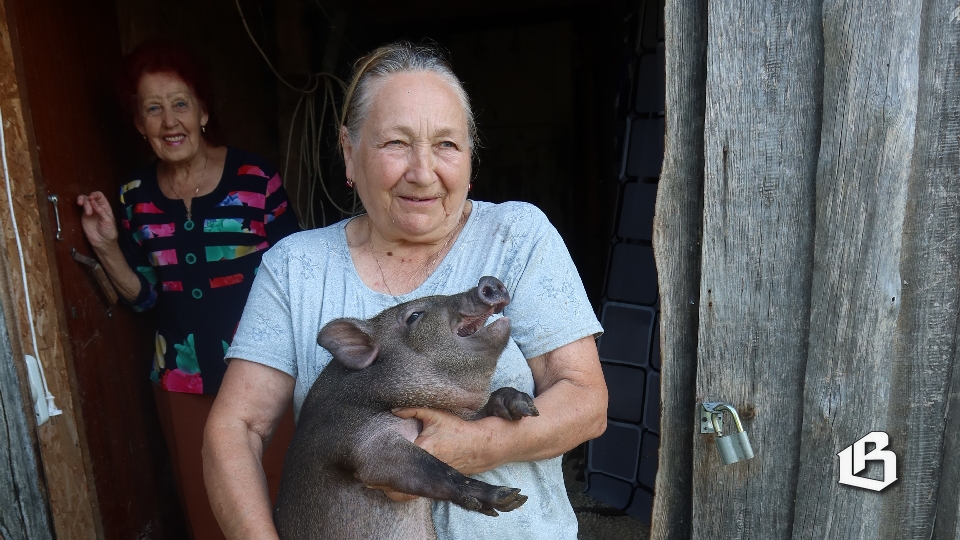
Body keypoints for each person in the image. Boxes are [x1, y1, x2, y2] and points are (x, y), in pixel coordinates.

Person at [203, 41, 608, 539]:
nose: (422, 171)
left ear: (469, 160)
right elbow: (235, 429)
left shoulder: (517, 236)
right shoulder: (296, 267)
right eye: (396, 143)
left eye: (446, 144)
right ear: (350, 154)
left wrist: (475, 445)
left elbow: (586, 402)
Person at [76, 41, 301, 540]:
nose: (169, 120)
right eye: (152, 109)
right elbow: (146, 298)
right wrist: (109, 247)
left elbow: (297, 278)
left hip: (266, 376)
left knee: (288, 501)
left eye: (180, 103)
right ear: (138, 124)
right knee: (210, 510)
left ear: (202, 111)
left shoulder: (255, 179)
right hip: (183, 382)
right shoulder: (135, 198)